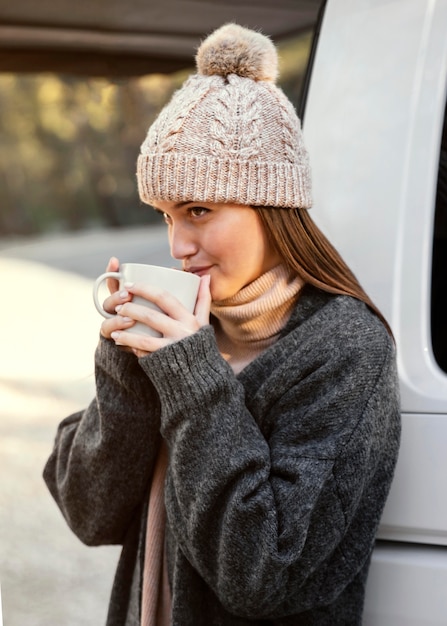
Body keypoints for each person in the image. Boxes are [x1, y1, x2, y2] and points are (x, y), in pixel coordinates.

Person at [43, 23, 401, 626]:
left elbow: (263, 574)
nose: (179, 245)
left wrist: (192, 379)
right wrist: (127, 365)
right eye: (165, 216)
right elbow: (89, 512)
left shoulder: (345, 349)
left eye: (200, 211)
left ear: (271, 206)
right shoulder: (187, 335)